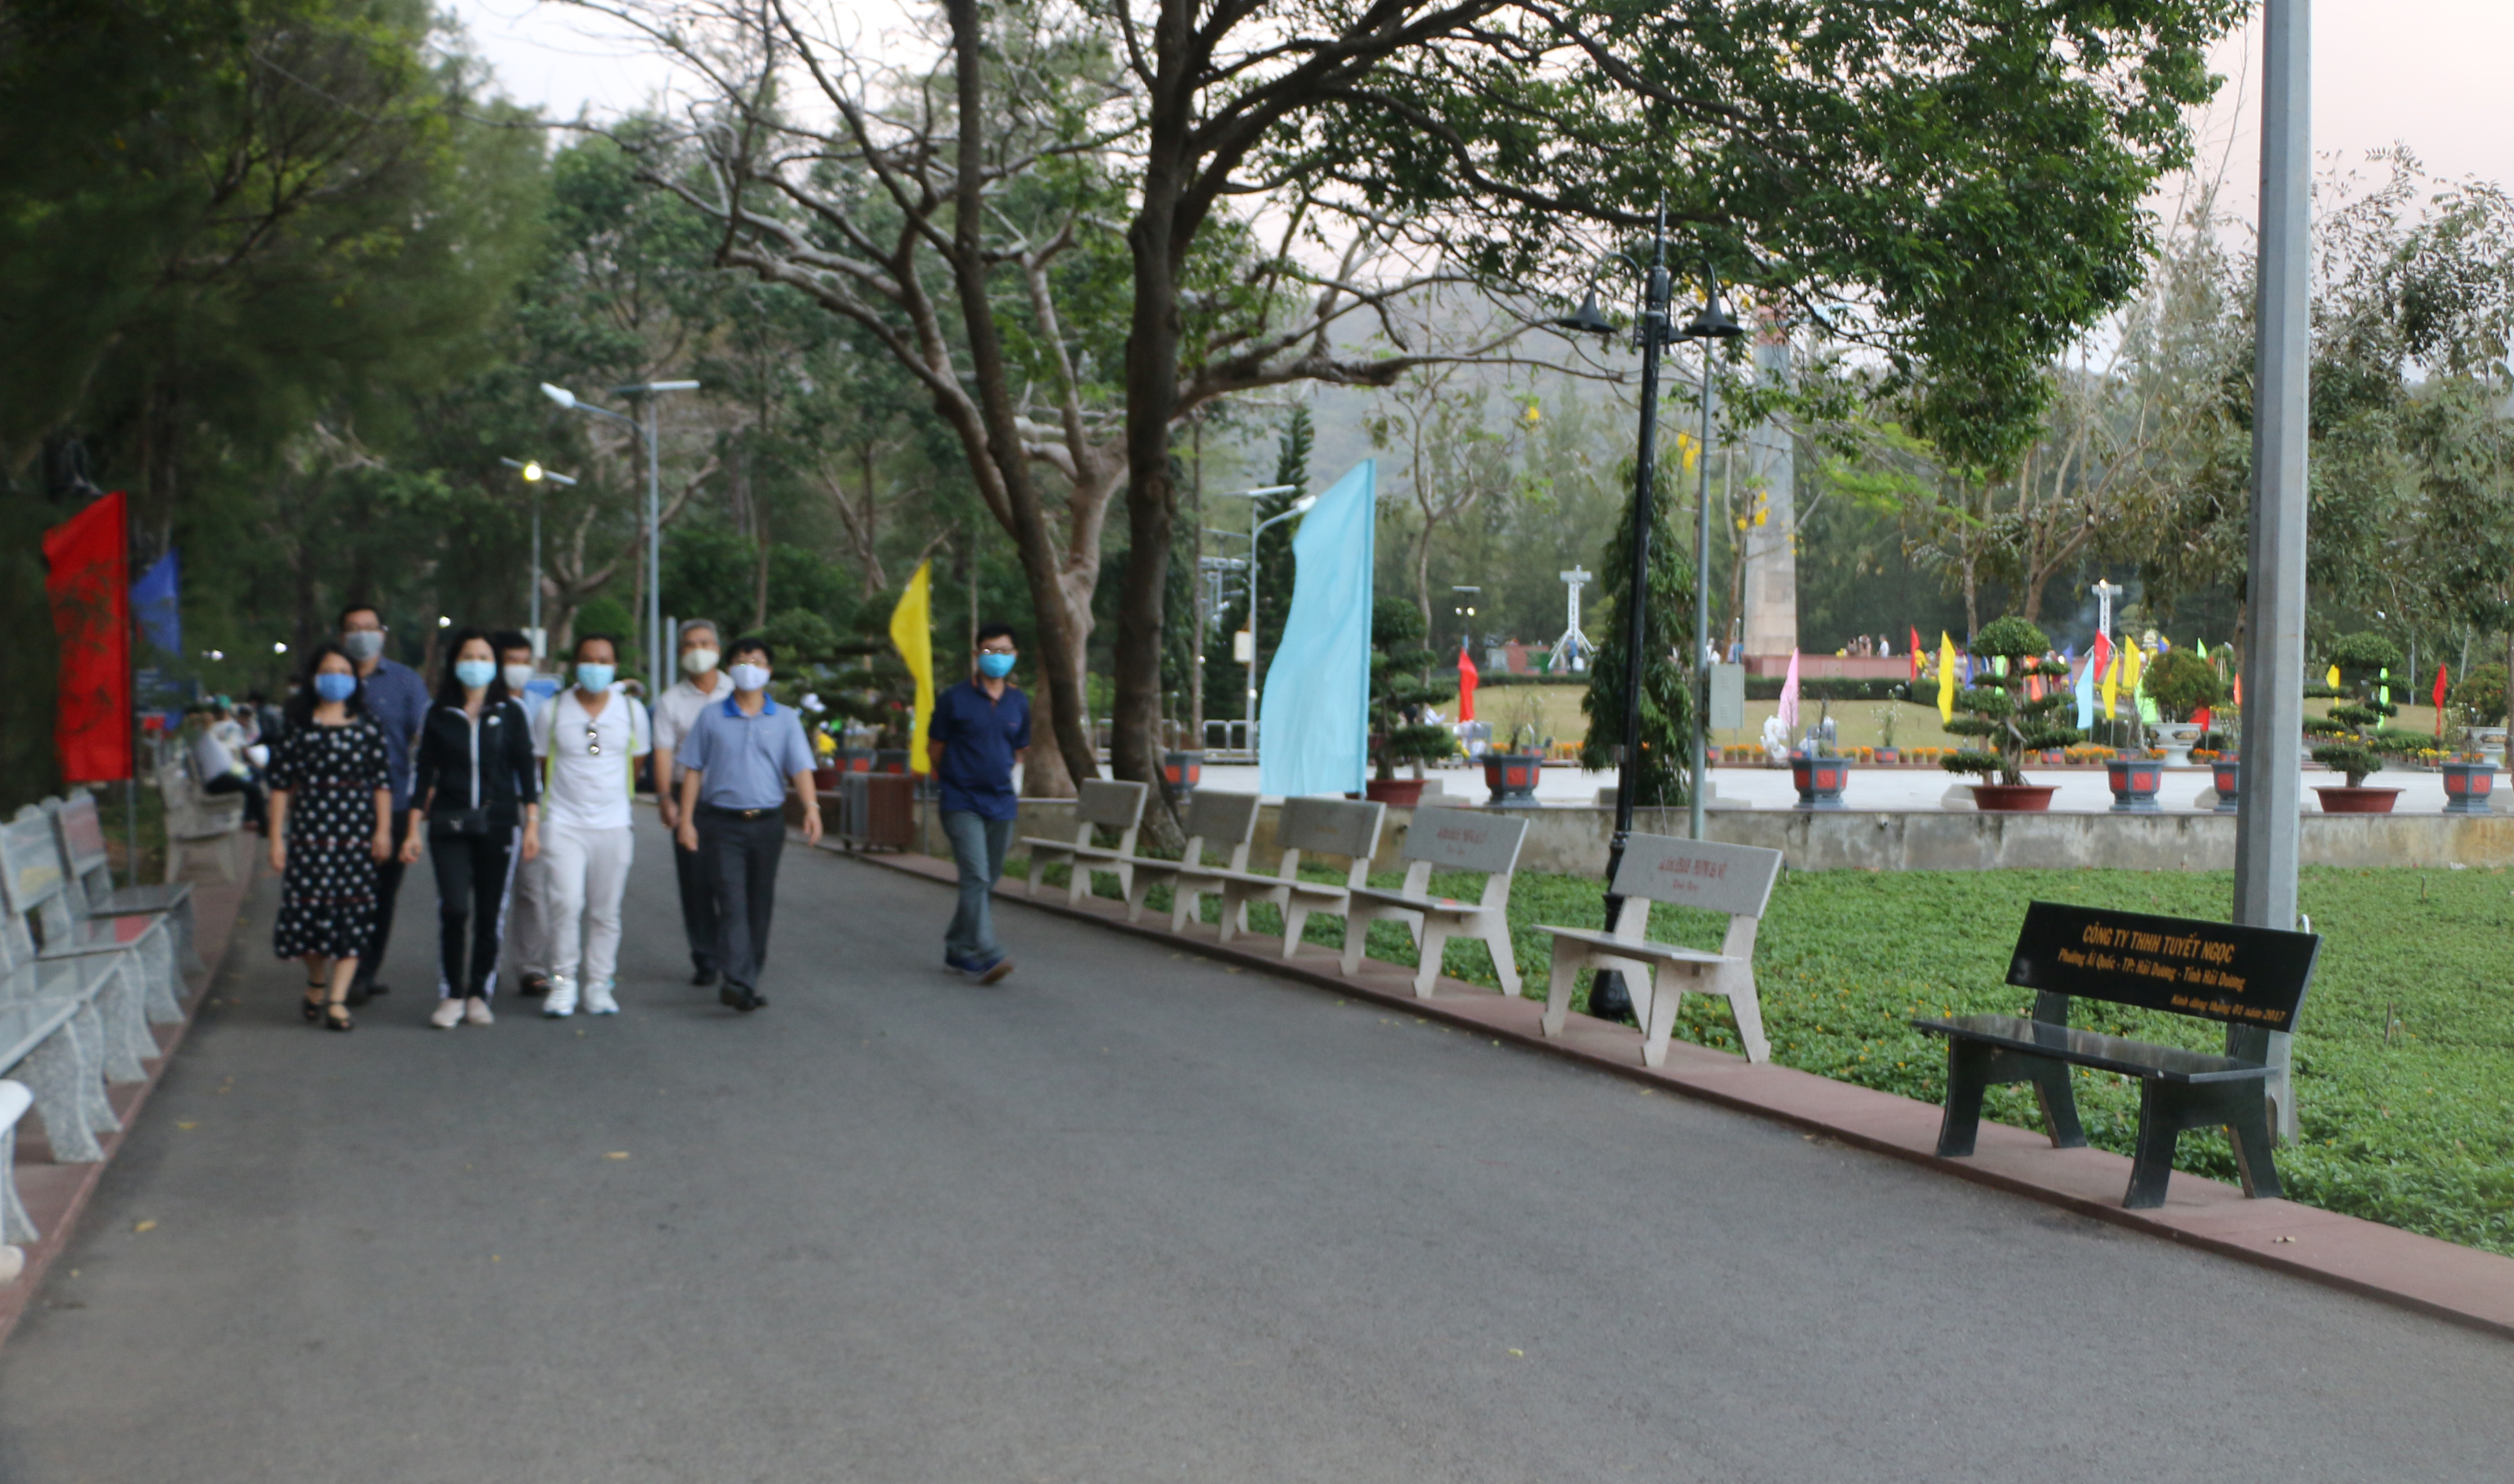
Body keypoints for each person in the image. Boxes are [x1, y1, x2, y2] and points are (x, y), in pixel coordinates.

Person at [672, 636, 820, 1013]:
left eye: (756, 661)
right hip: (722, 824)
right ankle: (737, 980)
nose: (748, 667)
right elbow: (692, 770)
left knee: (759, 901)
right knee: (732, 900)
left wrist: (812, 808)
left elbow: (800, 767)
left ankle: (748, 977)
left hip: (768, 824)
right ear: (729, 668)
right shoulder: (711, 716)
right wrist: (686, 820)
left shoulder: (785, 719)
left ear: (768, 671)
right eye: (741, 660)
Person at [407, 628, 540, 1029]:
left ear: (494, 665)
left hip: (499, 824)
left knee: (489, 913)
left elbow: (525, 772)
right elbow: (425, 773)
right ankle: (452, 994)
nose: (476, 665)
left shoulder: (511, 712)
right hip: (449, 823)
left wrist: (531, 823)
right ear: (455, 663)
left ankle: (480, 991)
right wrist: (412, 828)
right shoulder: (438, 712)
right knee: (454, 908)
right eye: (469, 657)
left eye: (484, 658)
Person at [264, 644, 394, 1033]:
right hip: (309, 839)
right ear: (313, 677)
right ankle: (317, 980)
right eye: (328, 669)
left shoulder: (368, 725)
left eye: (344, 670)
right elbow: (280, 785)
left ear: (355, 680)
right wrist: (276, 839)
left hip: (356, 839)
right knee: (309, 918)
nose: (336, 677)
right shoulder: (297, 725)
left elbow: (383, 783)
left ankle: (337, 1001)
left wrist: (383, 829)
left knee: (353, 916)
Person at [530, 634, 650, 1017]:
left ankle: (599, 984)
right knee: (566, 904)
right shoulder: (553, 711)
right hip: (564, 822)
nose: (595, 667)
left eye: (603, 661)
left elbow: (636, 764)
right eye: (588, 660)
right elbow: (542, 764)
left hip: (613, 825)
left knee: (605, 911)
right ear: (575, 666)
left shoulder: (632, 712)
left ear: (615, 667)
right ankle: (563, 983)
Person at [338, 603, 431, 1006]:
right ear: (343, 636)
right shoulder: (330, 679)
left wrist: (415, 815)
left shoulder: (406, 683)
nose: (362, 635)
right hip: (338, 808)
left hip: (391, 805)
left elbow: (425, 742)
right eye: (353, 629)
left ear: (382, 633)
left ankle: (366, 970)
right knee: (343, 894)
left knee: (380, 894)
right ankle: (344, 969)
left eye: (369, 628)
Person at [929, 622, 1030, 984]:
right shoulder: (953, 699)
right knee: (976, 874)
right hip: (961, 800)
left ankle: (958, 945)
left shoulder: (1018, 701)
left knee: (988, 880)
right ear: (976, 654)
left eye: (1004, 651)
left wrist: (1008, 780)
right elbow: (935, 747)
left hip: (1001, 801)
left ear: (1014, 656)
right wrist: (955, 778)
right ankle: (987, 952)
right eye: (989, 651)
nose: (996, 658)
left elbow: (1020, 748)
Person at [650, 618, 726, 987]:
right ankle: (706, 957)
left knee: (733, 881)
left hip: (733, 798)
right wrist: (666, 798)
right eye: (691, 645)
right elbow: (663, 752)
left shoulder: (736, 690)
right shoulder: (670, 701)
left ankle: (735, 952)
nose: (699, 651)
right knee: (696, 882)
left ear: (718, 648)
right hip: (687, 799)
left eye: (706, 643)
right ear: (681, 653)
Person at [492, 631, 557, 999]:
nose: (518, 669)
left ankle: (531, 966)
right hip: (493, 805)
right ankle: (486, 963)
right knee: (489, 887)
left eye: (523, 661)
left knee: (532, 888)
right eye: (510, 661)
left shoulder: (543, 704)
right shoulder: (486, 703)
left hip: (532, 805)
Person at [187, 702, 267, 830]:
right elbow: (206, 721)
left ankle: (252, 817)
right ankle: (265, 827)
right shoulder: (199, 734)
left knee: (253, 779)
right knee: (254, 789)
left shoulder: (203, 734)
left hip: (224, 774)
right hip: (217, 780)